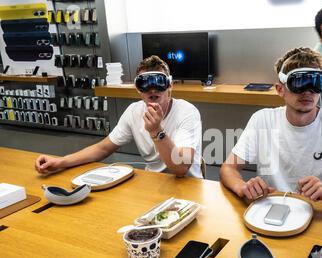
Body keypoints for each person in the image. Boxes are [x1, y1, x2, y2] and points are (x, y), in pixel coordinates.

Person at [220, 47, 322, 208]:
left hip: (318, 213)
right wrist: (243, 187)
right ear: (280, 89)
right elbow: (228, 168)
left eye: (316, 82)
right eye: (299, 82)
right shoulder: (262, 120)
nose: (308, 91)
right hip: (271, 208)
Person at [35, 55, 203, 178]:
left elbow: (181, 169)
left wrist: (156, 132)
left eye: (159, 82)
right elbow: (103, 148)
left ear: (170, 86)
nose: (152, 90)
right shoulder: (133, 111)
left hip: (188, 184)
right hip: (153, 183)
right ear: (138, 89)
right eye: (145, 84)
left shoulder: (187, 112)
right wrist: (61, 162)